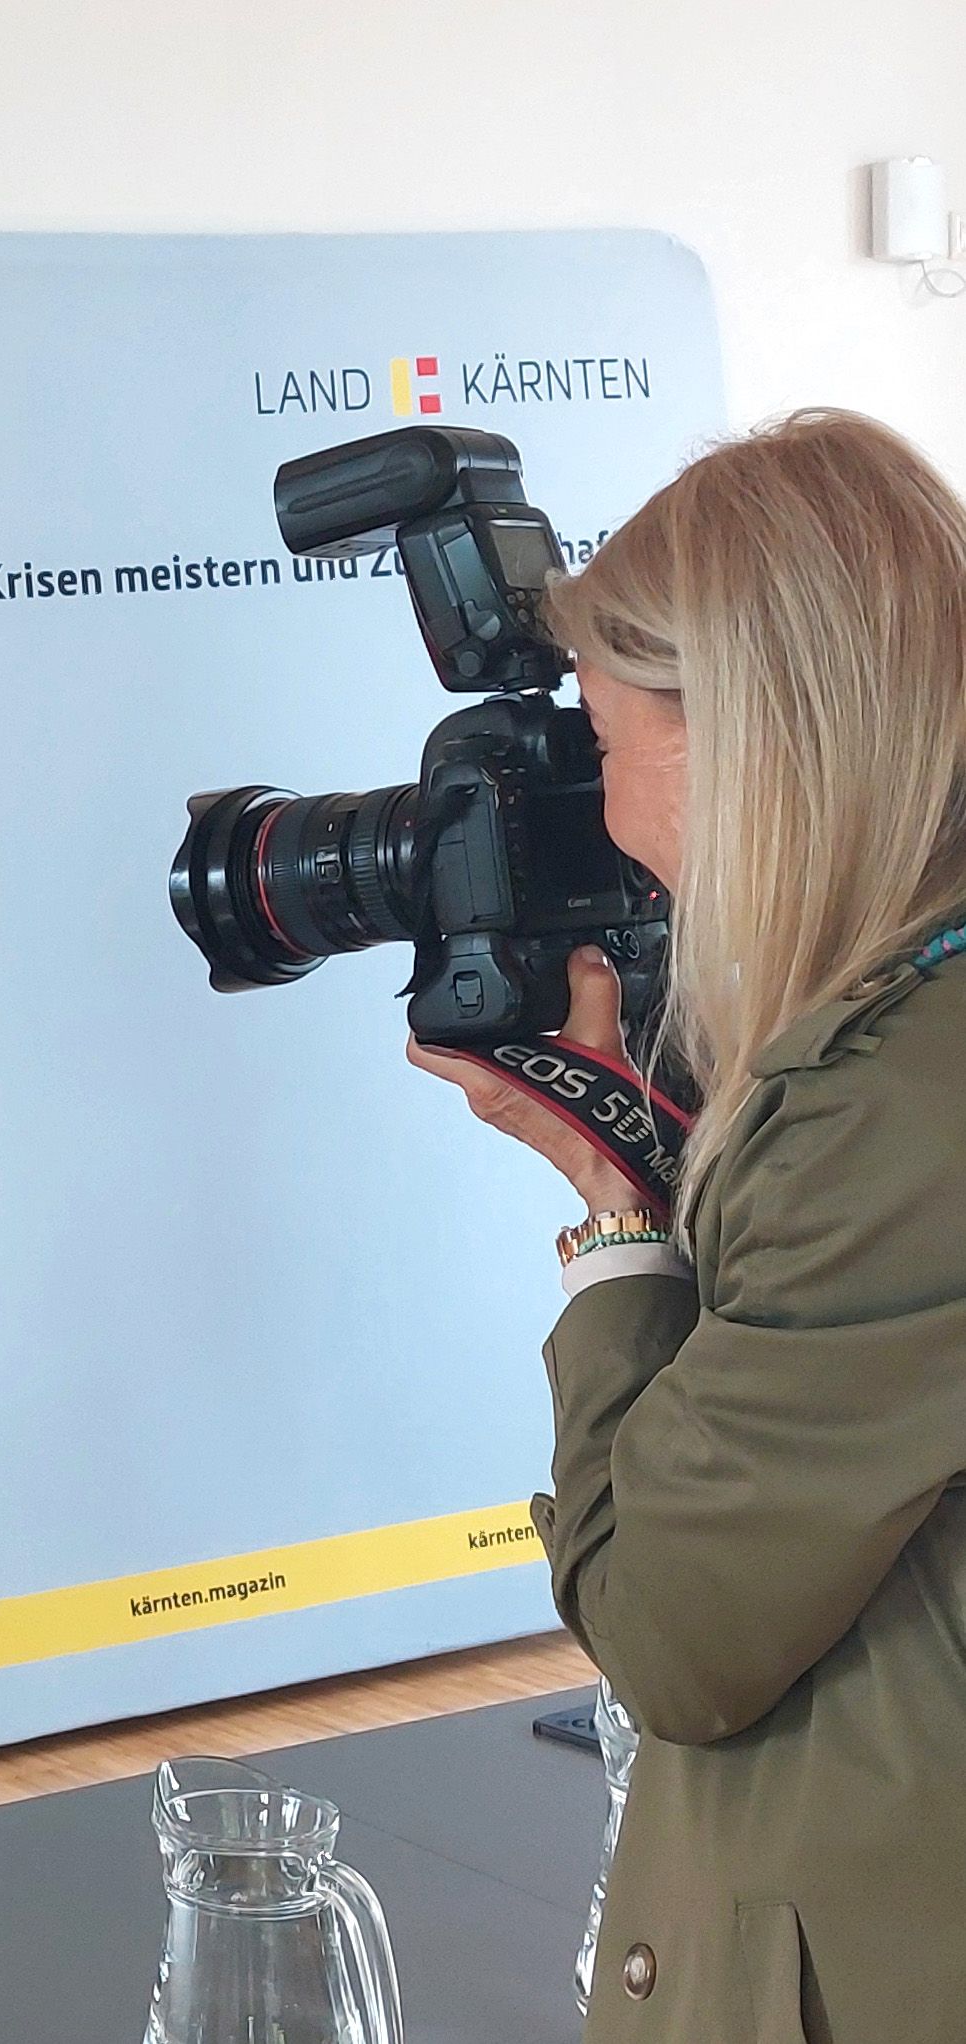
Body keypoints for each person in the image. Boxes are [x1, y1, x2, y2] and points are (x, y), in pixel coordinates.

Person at [410, 410, 966, 2040]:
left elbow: (667, 1631)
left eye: (604, 738)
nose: (603, 809)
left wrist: (613, 1222)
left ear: (750, 738)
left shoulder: (884, 1117)